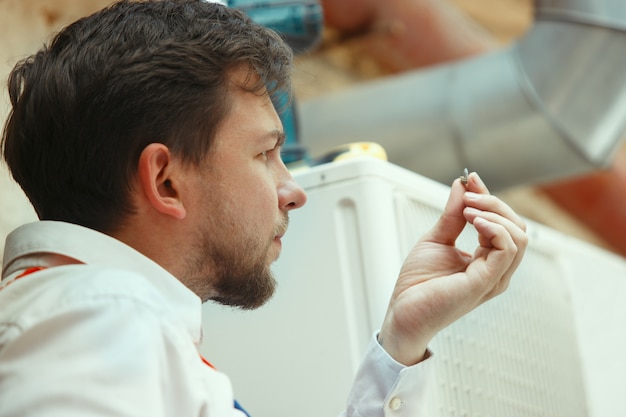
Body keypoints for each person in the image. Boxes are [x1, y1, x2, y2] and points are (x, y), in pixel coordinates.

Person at [0, 1, 527, 416]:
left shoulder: (101, 321)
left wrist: (402, 339)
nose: (293, 189)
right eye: (266, 153)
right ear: (166, 181)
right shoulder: (99, 322)